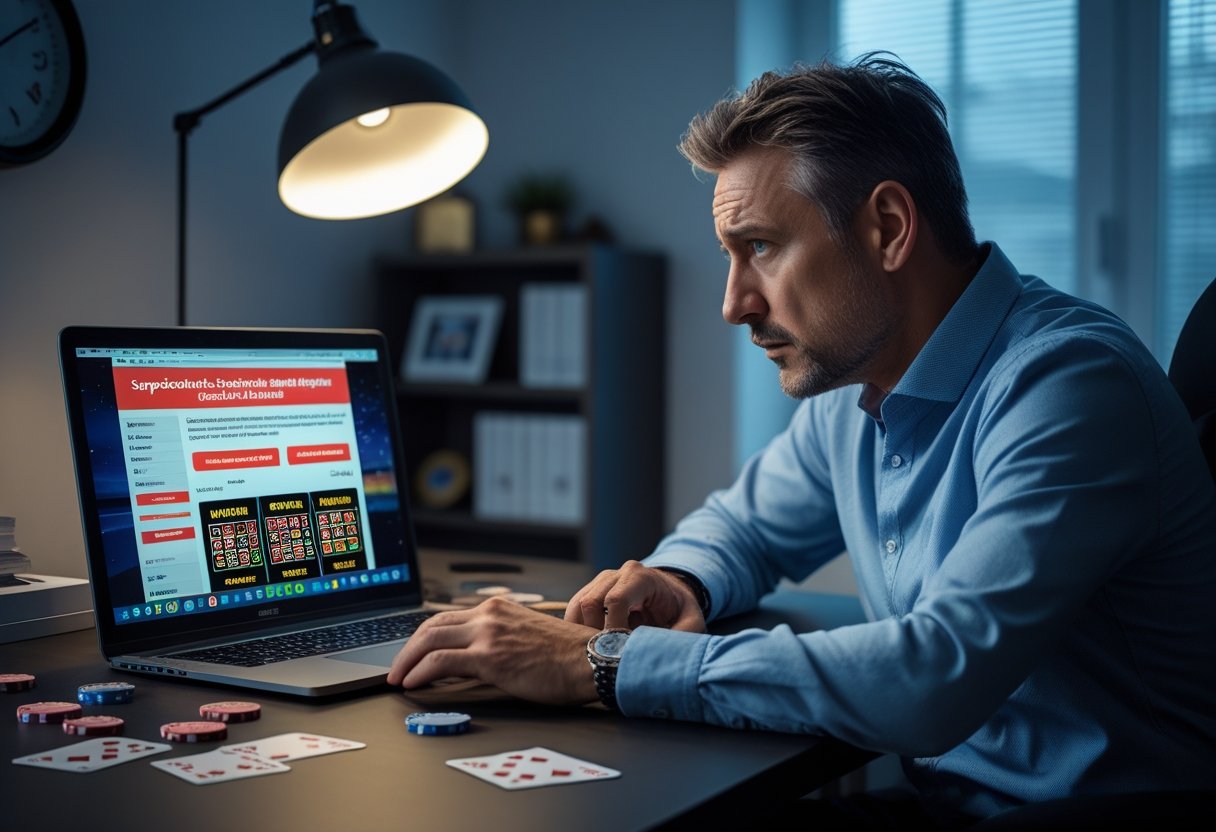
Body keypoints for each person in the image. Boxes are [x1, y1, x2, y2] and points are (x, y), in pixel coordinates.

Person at [388, 55, 1216, 827]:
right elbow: (743, 526)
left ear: (889, 228)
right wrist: (681, 580)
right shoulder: (860, 384)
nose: (734, 303)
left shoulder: (1069, 387)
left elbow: (933, 676)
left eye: (760, 249)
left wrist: (599, 662)